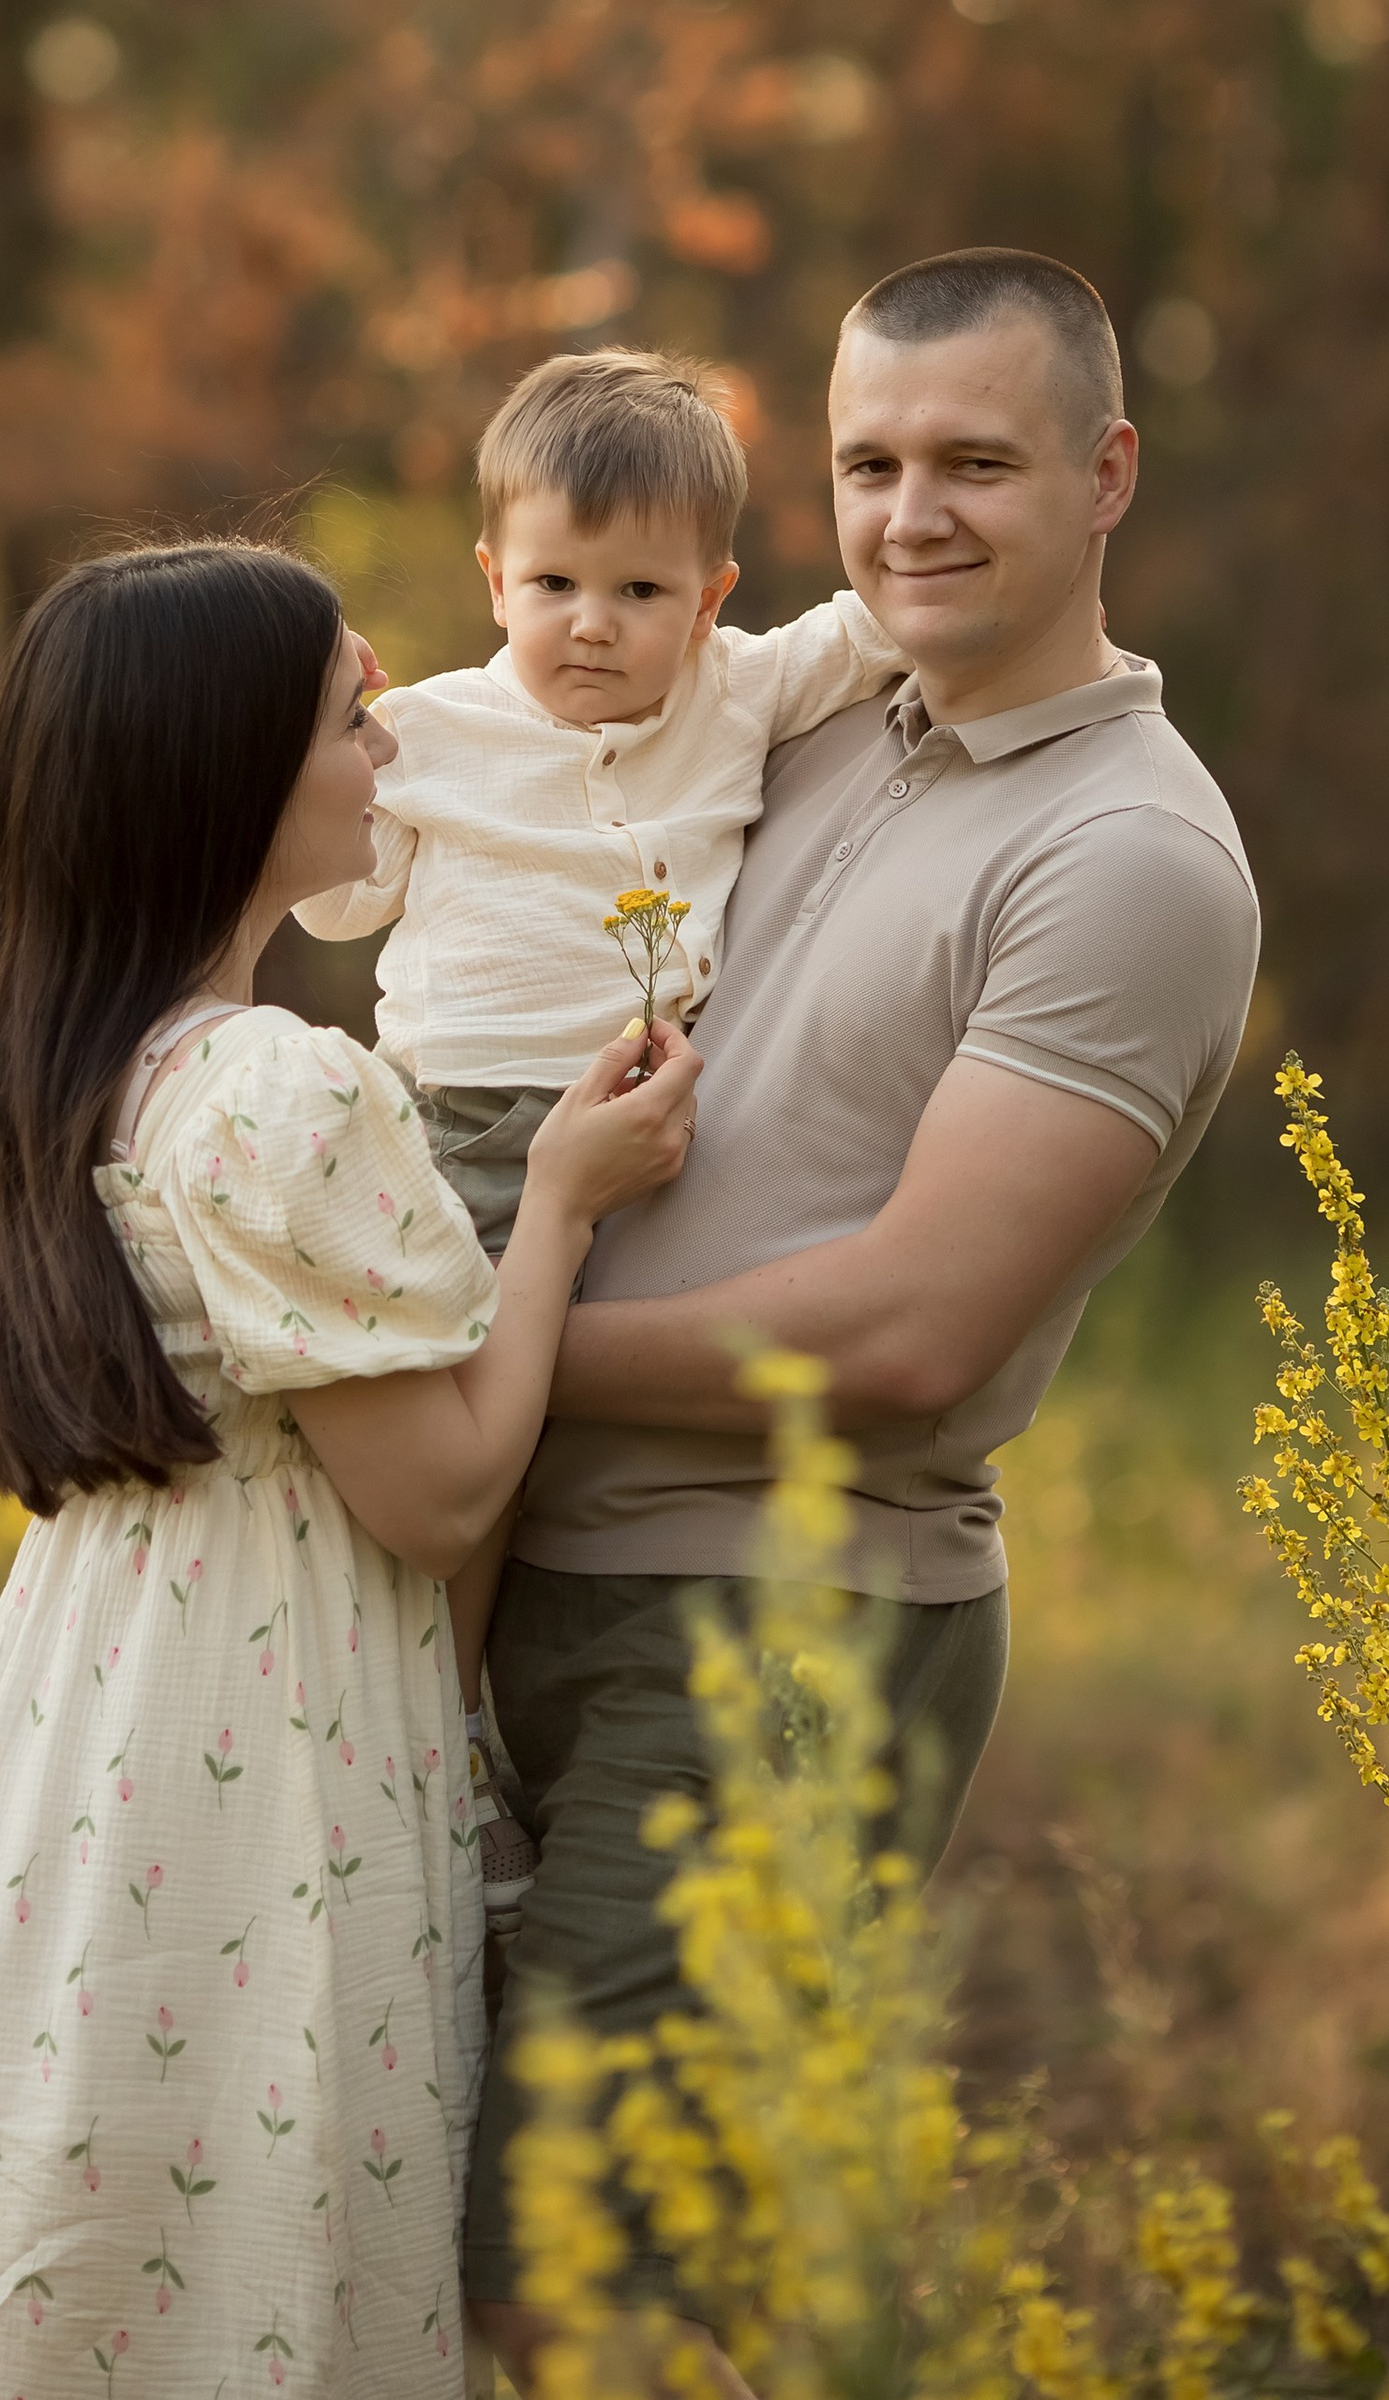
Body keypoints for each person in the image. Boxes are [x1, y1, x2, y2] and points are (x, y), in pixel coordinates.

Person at [461, 251, 1263, 2393]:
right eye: (870, 462)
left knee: (581, 2296)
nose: (911, 514)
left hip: (786, 1634)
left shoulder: (1126, 859)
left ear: (1104, 476)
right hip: (535, 1583)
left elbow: (912, 1329)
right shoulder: (806, 731)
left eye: (974, 463)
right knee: (472, 2249)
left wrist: (462, 1369)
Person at [0, 539, 698, 2400]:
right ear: (229, 775)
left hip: (70, 1746)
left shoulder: (77, 1065)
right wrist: (555, 1201)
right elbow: (444, 1491)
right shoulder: (285, 1092)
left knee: (91, 2276)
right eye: (347, 711)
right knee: (252, 2263)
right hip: (259, 1750)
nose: (390, 735)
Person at [293, 348, 899, 1874]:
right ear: (493, 577)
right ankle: (435, 1741)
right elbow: (342, 902)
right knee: (462, 1439)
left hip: (653, 1143)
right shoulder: (426, 732)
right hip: (464, 1131)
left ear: (712, 596)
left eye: (641, 593)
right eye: (555, 582)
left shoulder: (741, 685)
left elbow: (881, 621)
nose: (593, 625)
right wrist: (350, 754)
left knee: (568, 1443)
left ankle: (482, 1736)